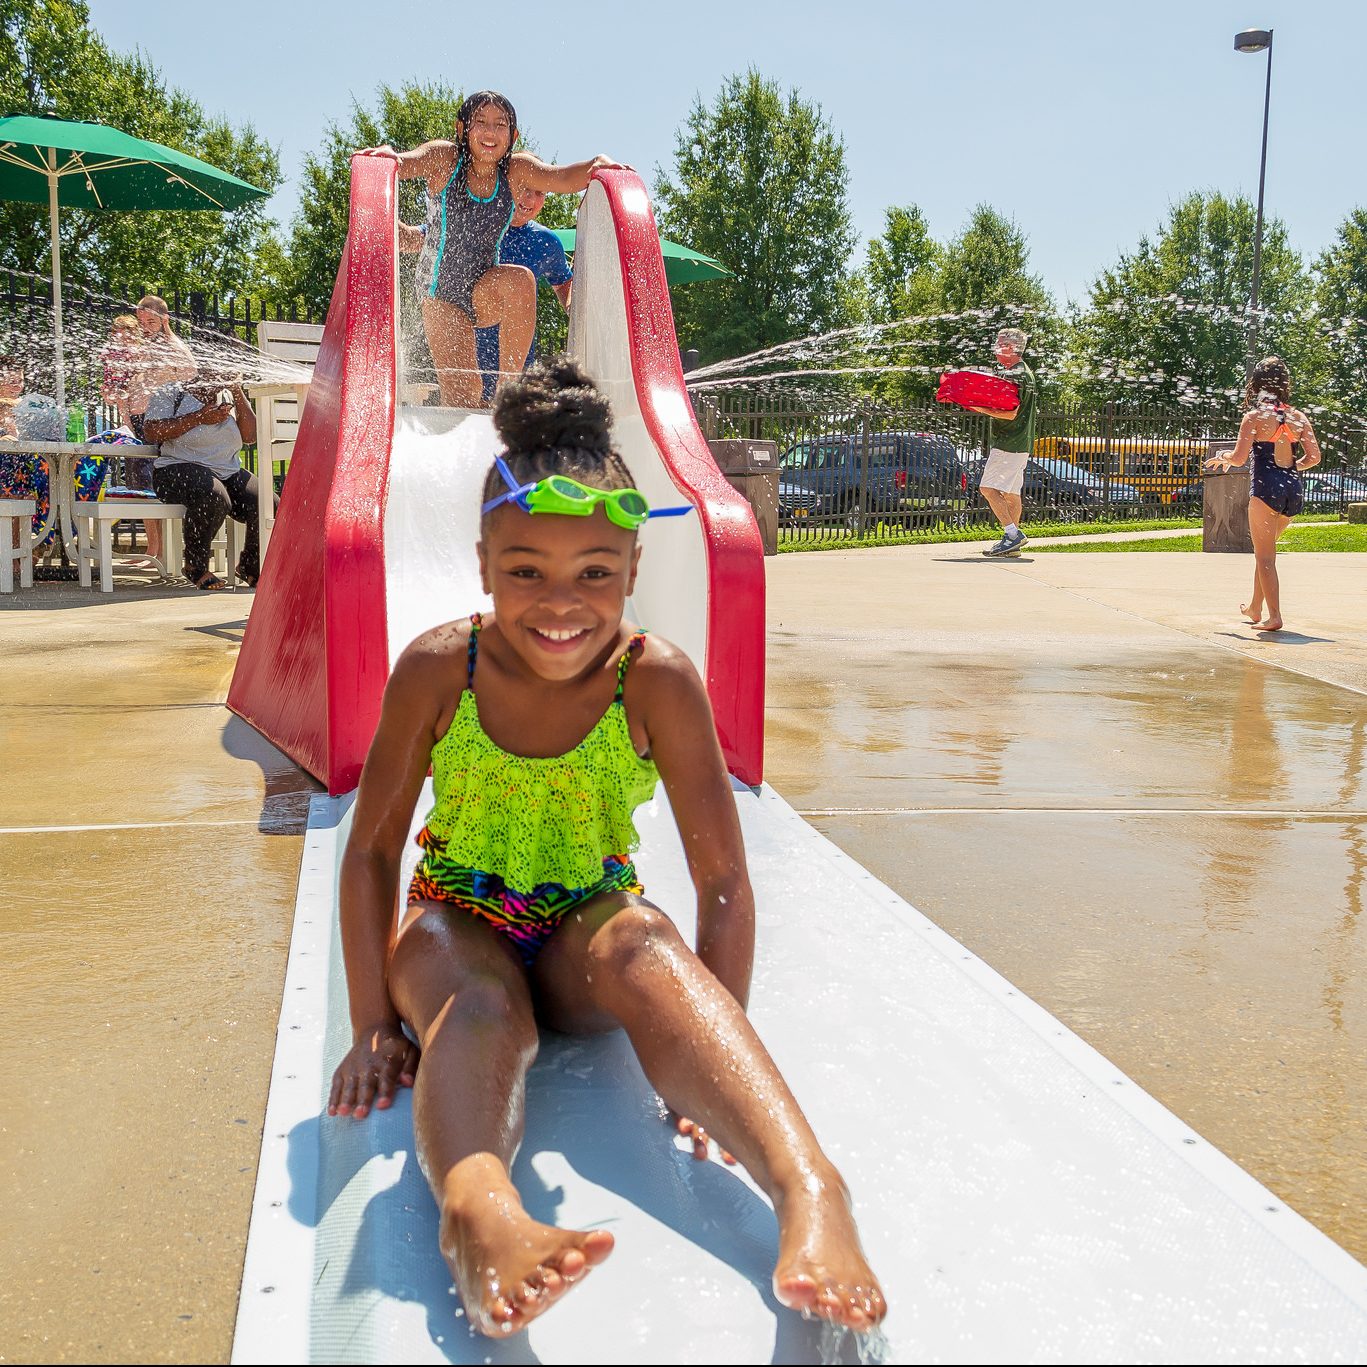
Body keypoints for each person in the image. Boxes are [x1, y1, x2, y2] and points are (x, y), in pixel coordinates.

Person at [327, 358, 886, 1339]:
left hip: (588, 917)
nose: (560, 602)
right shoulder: (436, 666)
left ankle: (810, 1187)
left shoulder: (654, 679)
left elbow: (722, 880)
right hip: (457, 915)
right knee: (481, 1000)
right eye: (525, 572)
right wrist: (374, 1022)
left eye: (594, 573)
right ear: (482, 562)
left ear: (633, 571)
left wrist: (710, 1050)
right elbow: (372, 851)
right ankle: (479, 1211)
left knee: (646, 944)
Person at [360, 90, 620, 408]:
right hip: (440, 294)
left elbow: (563, 177)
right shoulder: (446, 160)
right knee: (464, 396)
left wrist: (596, 166)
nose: (489, 132)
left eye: (500, 125)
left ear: (512, 136)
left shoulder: (515, 171)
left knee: (520, 280)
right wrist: (391, 159)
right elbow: (405, 164)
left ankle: (507, 393)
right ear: (462, 129)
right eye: (480, 122)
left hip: (483, 289)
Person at [399, 183, 574, 401]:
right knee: (465, 408)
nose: (530, 199)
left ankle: (509, 388)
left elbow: (563, 283)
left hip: (514, 368)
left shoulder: (546, 242)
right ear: (506, 185)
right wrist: (390, 223)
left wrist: (574, 309)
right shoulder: (474, 223)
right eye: (524, 188)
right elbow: (418, 238)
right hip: (466, 361)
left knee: (519, 281)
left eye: (539, 192)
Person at [1204, 355, 1321, 632]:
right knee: (1265, 552)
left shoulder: (1254, 418)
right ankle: (1255, 608)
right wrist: (1291, 468)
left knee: (1265, 557)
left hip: (1266, 490)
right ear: (1284, 384)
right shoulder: (1298, 417)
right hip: (1292, 490)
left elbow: (1240, 457)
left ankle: (1275, 615)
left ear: (1256, 385)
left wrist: (1224, 456)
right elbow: (1314, 457)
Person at [142, 367, 272, 590]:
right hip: (175, 470)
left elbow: (250, 437)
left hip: (226, 472)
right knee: (214, 495)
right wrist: (200, 417)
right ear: (204, 367)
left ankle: (250, 566)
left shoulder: (229, 396)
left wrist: (237, 391)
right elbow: (152, 431)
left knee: (269, 503)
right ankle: (196, 565)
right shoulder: (172, 392)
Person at [968, 327, 1038, 557]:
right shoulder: (1022, 371)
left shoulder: (1015, 374)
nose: (995, 347)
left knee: (987, 488)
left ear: (1010, 348)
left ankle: (1012, 534)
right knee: (1011, 493)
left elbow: (1010, 413)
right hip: (1020, 444)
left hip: (1008, 443)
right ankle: (1012, 543)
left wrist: (978, 407)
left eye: (999, 343)